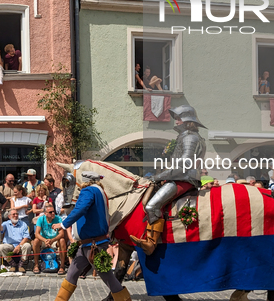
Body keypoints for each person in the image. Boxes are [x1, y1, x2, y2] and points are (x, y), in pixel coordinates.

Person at [131, 105, 206, 256]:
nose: (176, 121)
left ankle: (151, 243)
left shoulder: (190, 137)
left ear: (187, 121)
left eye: (179, 118)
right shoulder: (185, 136)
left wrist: (158, 176)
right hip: (181, 177)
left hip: (183, 179)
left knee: (152, 205)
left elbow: (184, 164)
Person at [51, 172, 132, 301]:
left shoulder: (88, 191)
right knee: (71, 274)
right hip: (86, 244)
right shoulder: (100, 192)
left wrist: (63, 224)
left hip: (94, 245)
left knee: (109, 278)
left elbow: (81, 209)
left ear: (83, 182)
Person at [33, 203, 66, 274]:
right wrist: (45, 240)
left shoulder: (58, 219)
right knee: (36, 241)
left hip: (54, 240)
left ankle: (62, 266)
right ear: (45, 213)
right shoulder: (40, 219)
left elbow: (61, 234)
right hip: (44, 240)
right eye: (50, 212)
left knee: (62, 240)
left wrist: (52, 240)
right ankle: (36, 265)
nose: (53, 213)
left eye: (54, 211)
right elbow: (37, 233)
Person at [0, 208, 32, 273]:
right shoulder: (6, 223)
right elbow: (0, 228)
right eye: (14, 214)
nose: (16, 215)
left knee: (27, 245)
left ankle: (21, 265)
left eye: (17, 214)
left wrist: (19, 246)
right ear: (9, 216)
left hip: (20, 244)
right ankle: (12, 265)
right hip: (10, 245)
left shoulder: (23, 224)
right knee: (0, 247)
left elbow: (26, 237)